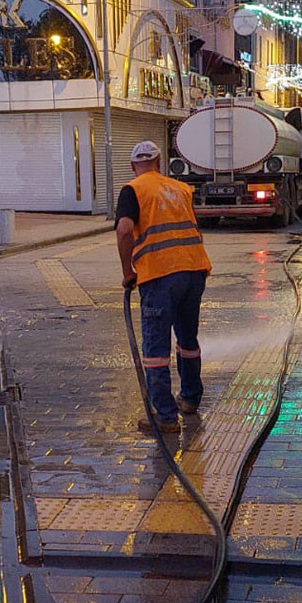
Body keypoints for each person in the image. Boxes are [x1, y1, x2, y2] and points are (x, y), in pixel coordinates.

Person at [115, 141, 212, 434]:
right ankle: (190, 398)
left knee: (156, 348)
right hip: (194, 269)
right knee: (187, 340)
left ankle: (166, 417)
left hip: (159, 276)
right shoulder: (181, 189)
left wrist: (128, 272)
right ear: (159, 163)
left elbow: (124, 230)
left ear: (133, 166)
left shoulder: (133, 189)